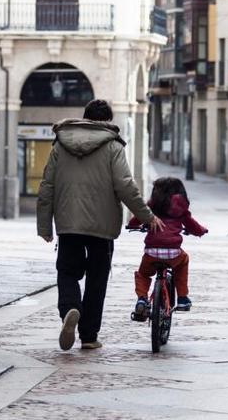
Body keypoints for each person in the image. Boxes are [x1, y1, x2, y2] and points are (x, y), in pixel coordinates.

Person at [37, 99, 164, 351]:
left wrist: (44, 226)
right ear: (107, 121)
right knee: (97, 280)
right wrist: (147, 216)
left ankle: (70, 308)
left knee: (67, 271)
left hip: (68, 223)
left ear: (84, 117)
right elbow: (125, 186)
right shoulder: (113, 146)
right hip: (102, 226)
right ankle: (89, 336)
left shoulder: (60, 144)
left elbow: (47, 186)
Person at [126, 177, 207, 319]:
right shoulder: (181, 210)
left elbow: (136, 219)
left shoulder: (151, 206)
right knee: (184, 261)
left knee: (143, 274)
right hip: (173, 254)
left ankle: (142, 299)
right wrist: (201, 230)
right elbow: (192, 225)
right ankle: (182, 298)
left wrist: (132, 225)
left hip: (151, 253)